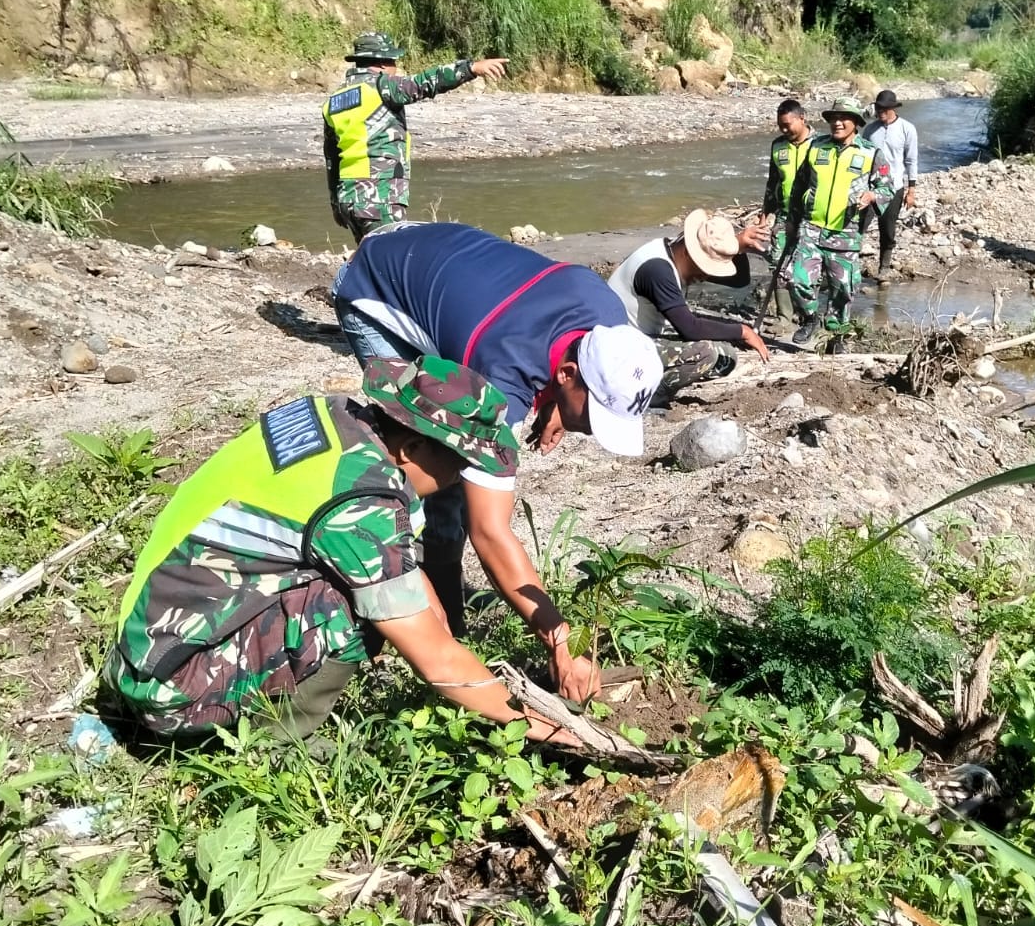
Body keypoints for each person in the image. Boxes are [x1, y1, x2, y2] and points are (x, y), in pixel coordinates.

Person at [102, 356, 579, 745]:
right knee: (354, 606)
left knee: (379, 583)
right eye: (458, 465)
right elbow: (435, 660)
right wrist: (548, 729)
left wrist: (450, 645)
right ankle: (277, 744)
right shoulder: (361, 502)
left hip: (150, 638)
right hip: (171, 686)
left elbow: (404, 568)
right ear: (413, 446)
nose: (459, 479)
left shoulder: (334, 417)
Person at [331, 221, 663, 695]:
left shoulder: (607, 318)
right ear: (569, 373)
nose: (590, 428)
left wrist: (555, 405)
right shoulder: (500, 380)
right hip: (379, 287)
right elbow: (491, 531)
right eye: (591, 415)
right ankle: (432, 628)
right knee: (430, 477)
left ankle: (440, 611)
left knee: (458, 476)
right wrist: (560, 646)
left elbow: (550, 342)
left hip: (436, 254)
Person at [323, 32, 510, 242]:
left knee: (370, 257)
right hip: (379, 194)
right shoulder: (381, 86)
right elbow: (425, 83)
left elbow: (332, 157)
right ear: (383, 64)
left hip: (348, 197)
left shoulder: (335, 99)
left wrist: (335, 203)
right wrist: (471, 68)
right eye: (394, 61)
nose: (396, 68)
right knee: (390, 257)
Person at [607, 208, 773, 399]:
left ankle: (646, 380)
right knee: (705, 354)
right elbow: (690, 329)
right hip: (620, 348)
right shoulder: (658, 270)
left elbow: (738, 280)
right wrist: (742, 331)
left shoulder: (673, 254)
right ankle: (646, 397)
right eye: (704, 268)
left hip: (640, 337)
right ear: (689, 252)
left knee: (726, 357)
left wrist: (737, 247)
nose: (704, 276)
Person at [782, 96, 892, 346]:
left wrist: (872, 195)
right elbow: (799, 185)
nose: (837, 123)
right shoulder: (817, 146)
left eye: (844, 118)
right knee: (797, 280)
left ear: (855, 122)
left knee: (843, 289)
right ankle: (810, 319)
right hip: (811, 229)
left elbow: (888, 189)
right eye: (833, 118)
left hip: (846, 233)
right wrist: (791, 220)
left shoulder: (870, 153)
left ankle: (837, 335)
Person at [761, 99, 815, 322]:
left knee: (808, 267)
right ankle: (785, 317)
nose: (784, 129)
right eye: (780, 125)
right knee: (777, 263)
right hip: (784, 215)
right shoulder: (778, 145)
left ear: (802, 118)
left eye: (788, 124)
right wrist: (765, 212)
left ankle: (808, 316)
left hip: (811, 217)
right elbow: (773, 181)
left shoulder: (821, 145)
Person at [865, 88, 919, 280]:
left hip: (894, 187)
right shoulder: (870, 130)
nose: (880, 112)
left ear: (893, 108)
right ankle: (848, 264)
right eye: (878, 108)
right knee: (858, 227)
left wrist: (911, 191)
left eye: (884, 108)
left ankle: (884, 267)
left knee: (887, 229)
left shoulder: (907, 129)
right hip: (869, 187)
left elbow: (911, 160)